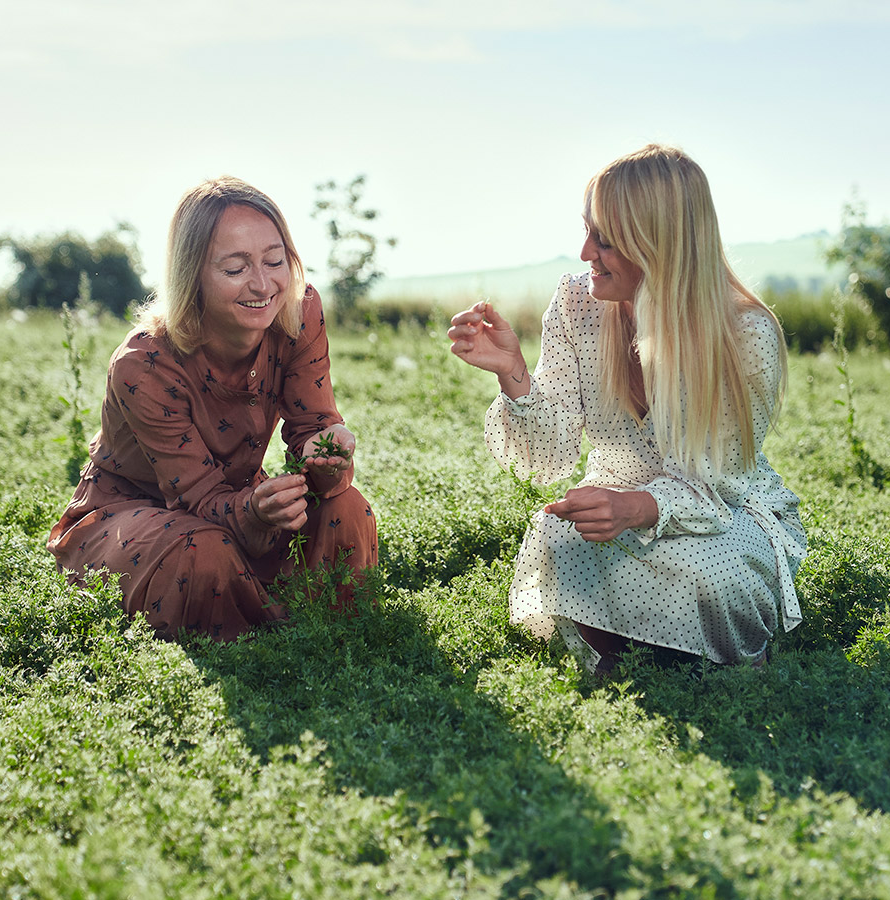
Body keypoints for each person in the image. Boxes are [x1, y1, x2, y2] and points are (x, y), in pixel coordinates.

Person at [447, 144, 806, 675]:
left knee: (712, 574)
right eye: (588, 230)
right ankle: (650, 666)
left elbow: (720, 486)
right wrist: (513, 375)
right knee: (557, 539)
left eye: (606, 240)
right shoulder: (576, 302)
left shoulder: (745, 335)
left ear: (659, 245)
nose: (586, 251)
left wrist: (637, 508)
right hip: (613, 505)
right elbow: (549, 456)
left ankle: (670, 663)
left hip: (719, 516)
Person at [47, 176, 377, 641]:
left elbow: (314, 425)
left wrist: (329, 456)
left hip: (239, 499)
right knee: (204, 554)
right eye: (235, 268)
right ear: (193, 274)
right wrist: (257, 514)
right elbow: (196, 499)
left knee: (347, 510)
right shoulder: (143, 364)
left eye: (274, 261)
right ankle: (269, 628)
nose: (263, 285)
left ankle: (312, 631)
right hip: (135, 512)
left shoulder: (299, 312)